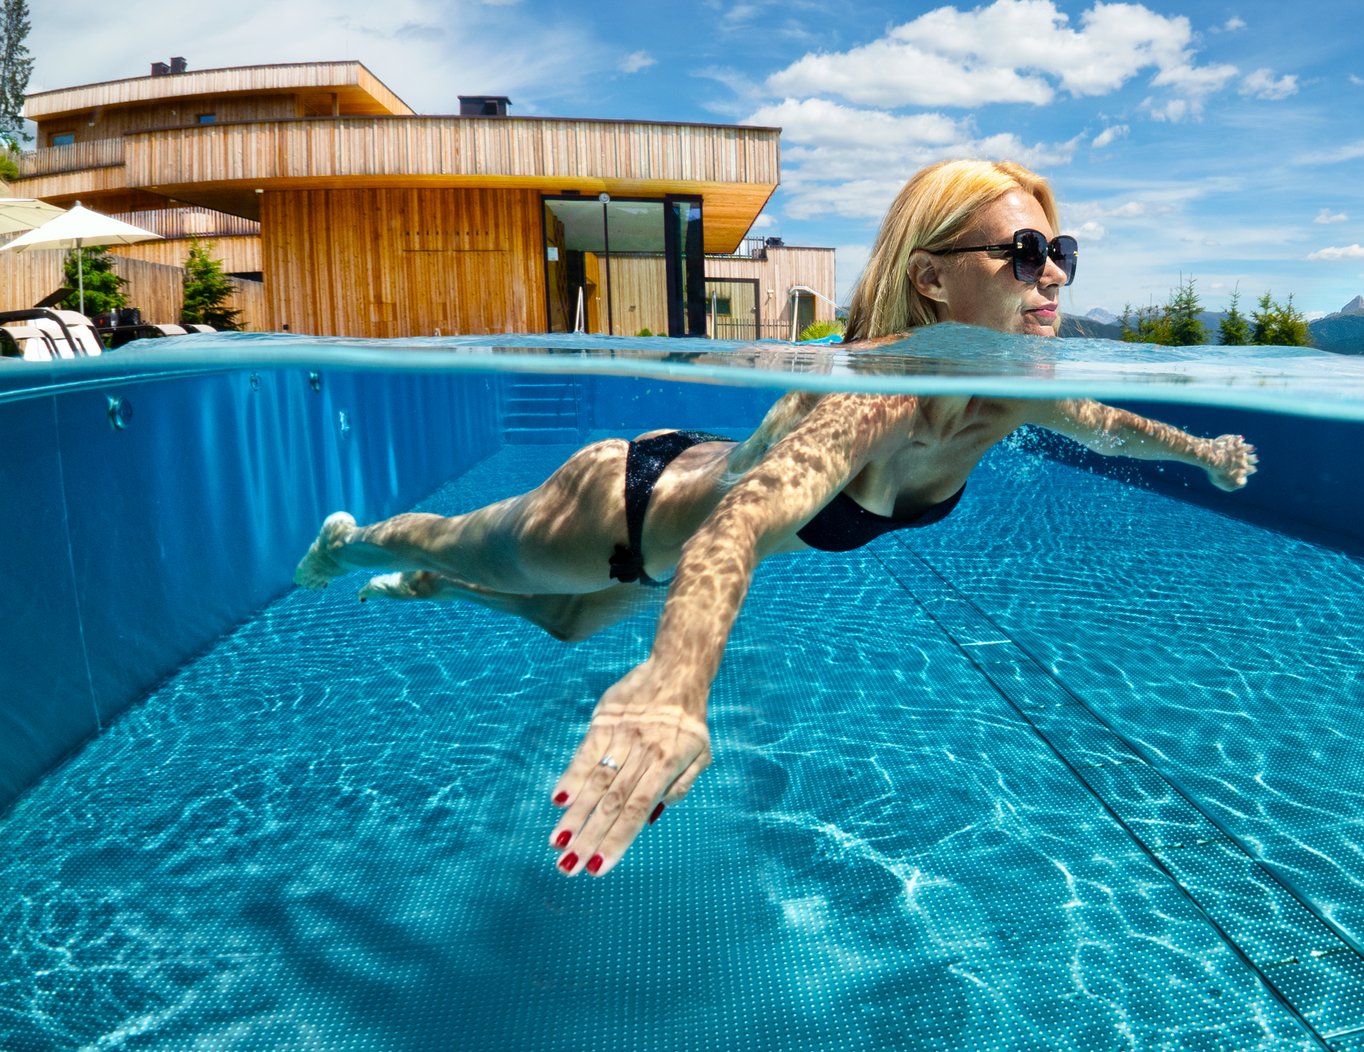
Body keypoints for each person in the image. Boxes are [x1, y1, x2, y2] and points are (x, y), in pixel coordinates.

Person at [294, 159, 1258, 879]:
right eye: (1026, 254)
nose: (1052, 275)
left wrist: (1200, 453)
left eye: (1065, 255)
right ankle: (355, 546)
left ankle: (437, 588)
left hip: (665, 559)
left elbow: (1109, 427)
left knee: (562, 622)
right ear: (931, 279)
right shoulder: (875, 397)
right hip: (617, 509)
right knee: (467, 548)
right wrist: (675, 687)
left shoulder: (1011, 397)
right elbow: (740, 522)